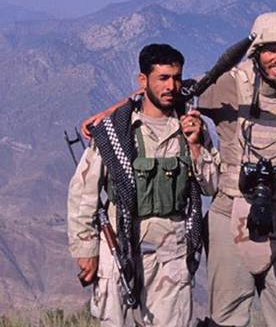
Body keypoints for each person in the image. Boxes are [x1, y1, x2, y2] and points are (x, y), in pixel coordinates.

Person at [82, 13, 276, 327]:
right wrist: (113, 112)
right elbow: (169, 93)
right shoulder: (230, 85)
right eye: (270, 50)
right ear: (257, 52)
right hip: (229, 216)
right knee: (226, 321)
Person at [68, 44, 219, 326]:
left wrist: (197, 146)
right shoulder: (115, 131)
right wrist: (85, 251)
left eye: (176, 78)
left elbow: (211, 186)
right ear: (143, 81)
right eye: (162, 78)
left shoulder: (190, 127)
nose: (171, 86)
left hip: (171, 255)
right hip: (118, 250)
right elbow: (83, 193)